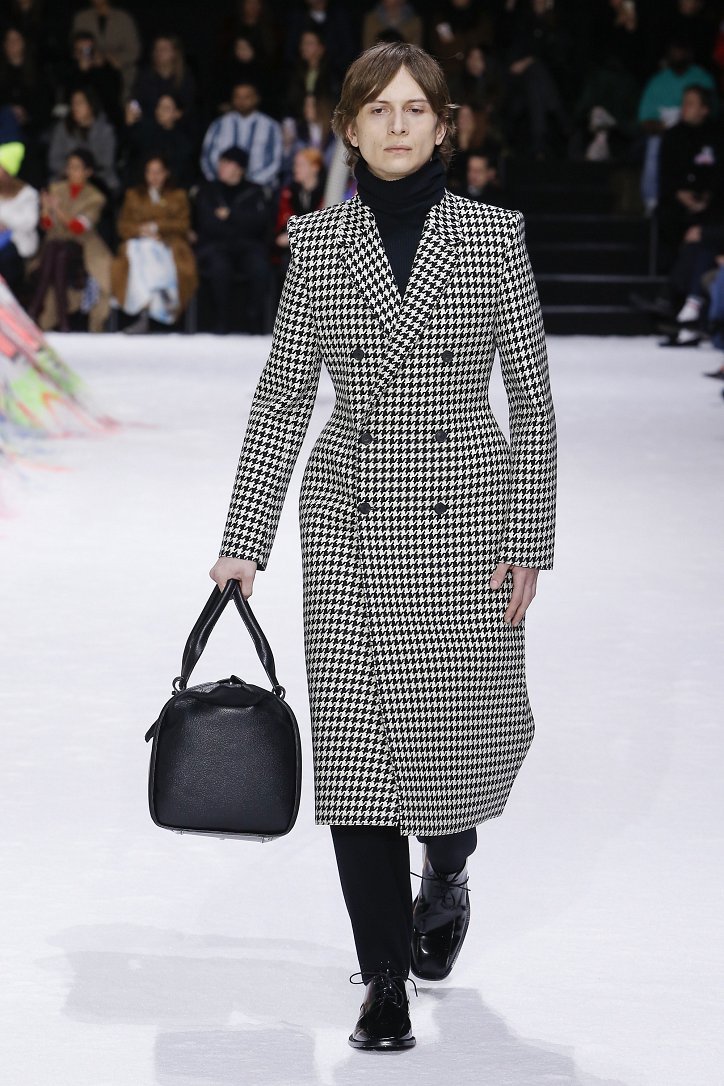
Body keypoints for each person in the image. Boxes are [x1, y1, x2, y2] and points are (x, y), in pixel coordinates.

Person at [209, 41, 557, 1051]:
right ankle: (384, 980)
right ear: (349, 128)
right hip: (351, 518)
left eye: (415, 109)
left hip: (466, 521)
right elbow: (285, 391)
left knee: (448, 752)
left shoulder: (493, 237)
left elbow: (531, 401)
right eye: (378, 109)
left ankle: (447, 863)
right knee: (358, 759)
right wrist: (244, 537)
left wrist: (529, 538)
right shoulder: (319, 242)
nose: (397, 125)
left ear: (443, 126)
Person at [111, 153, 198, 333]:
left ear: (166, 173)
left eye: (158, 172)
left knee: (150, 253)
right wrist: (141, 230)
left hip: (170, 245)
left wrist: (158, 228)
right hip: (138, 244)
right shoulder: (133, 195)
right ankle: (156, 302)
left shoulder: (178, 196)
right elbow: (123, 226)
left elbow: (183, 224)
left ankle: (150, 313)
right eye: (150, 172)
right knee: (141, 251)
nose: (154, 176)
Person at [28, 147, 111, 332]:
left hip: (82, 244)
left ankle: (37, 307)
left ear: (88, 172)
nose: (71, 172)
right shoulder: (56, 189)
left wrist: (56, 209)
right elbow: (47, 226)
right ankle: (60, 314)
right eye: (69, 167)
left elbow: (78, 227)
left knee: (60, 251)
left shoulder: (95, 197)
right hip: (56, 243)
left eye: (77, 168)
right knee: (56, 250)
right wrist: (45, 210)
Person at [194, 145, 272, 334]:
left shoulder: (255, 192)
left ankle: (254, 317)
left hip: (247, 247)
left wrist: (230, 216)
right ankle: (222, 319)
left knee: (260, 268)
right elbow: (207, 224)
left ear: (240, 168)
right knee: (219, 267)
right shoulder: (208, 191)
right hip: (217, 247)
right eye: (221, 162)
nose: (221, 166)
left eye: (227, 163)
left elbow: (259, 223)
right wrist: (239, 224)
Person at [200, 81, 282, 190]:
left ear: (256, 99)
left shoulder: (270, 126)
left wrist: (252, 184)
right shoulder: (219, 124)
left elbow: (276, 161)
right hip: (221, 188)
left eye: (247, 97)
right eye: (237, 97)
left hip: (260, 188)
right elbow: (207, 157)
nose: (241, 101)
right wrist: (217, 181)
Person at [47, 86, 119, 197]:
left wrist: (84, 172)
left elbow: (106, 163)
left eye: (79, 103)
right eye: (73, 103)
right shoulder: (63, 128)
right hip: (67, 178)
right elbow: (54, 159)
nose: (75, 107)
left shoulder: (105, 130)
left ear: (91, 105)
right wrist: (71, 170)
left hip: (99, 180)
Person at [0, 139, 39, 296]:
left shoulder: (27, 193)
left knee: (6, 258)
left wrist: (5, 222)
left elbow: (29, 222)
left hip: (17, 243)